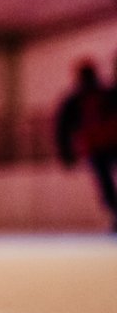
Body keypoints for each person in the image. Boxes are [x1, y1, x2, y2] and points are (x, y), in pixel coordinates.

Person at [56, 59, 117, 232]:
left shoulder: (77, 99)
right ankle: (115, 213)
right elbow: (63, 127)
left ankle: (115, 212)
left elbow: (63, 128)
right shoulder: (104, 93)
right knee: (106, 183)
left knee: (105, 182)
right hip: (104, 145)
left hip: (97, 146)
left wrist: (66, 153)